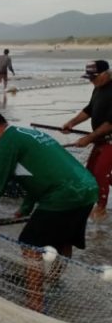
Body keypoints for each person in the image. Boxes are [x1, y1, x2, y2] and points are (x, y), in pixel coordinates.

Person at [0, 109, 97, 312]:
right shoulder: (27, 134)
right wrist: (26, 207)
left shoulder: (6, 143)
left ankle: (35, 302)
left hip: (64, 195)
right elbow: (37, 174)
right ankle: (53, 280)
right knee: (64, 239)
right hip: (88, 188)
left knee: (29, 244)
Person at [61, 60, 112, 222]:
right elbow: (89, 109)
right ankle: (95, 204)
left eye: (94, 77)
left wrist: (88, 138)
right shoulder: (98, 88)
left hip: (110, 140)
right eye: (89, 78)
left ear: (106, 74)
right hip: (100, 140)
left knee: (99, 173)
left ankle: (101, 209)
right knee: (90, 173)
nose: (91, 81)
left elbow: (110, 123)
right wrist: (72, 123)